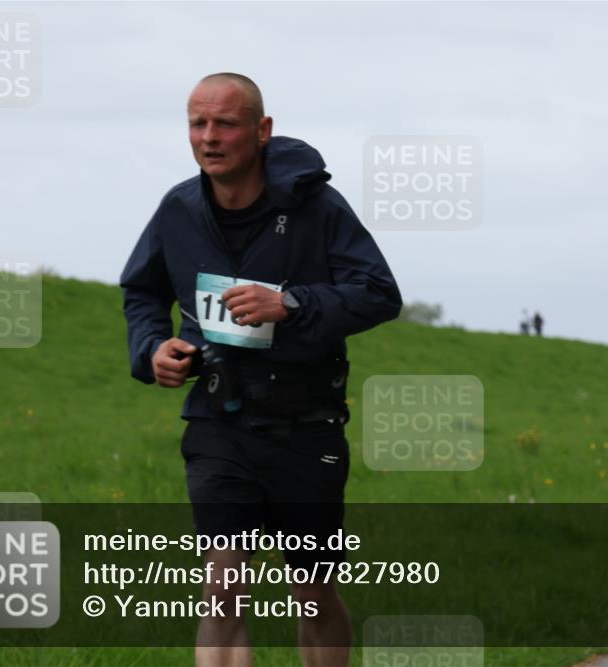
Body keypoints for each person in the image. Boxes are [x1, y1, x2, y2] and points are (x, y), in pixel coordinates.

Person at [120, 73, 401, 667]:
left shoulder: (316, 206)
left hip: (307, 426)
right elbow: (142, 290)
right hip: (218, 419)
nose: (209, 137)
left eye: (225, 123)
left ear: (262, 130)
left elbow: (379, 293)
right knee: (222, 586)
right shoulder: (178, 209)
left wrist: (291, 303)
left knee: (312, 592)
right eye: (198, 124)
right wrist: (152, 349)